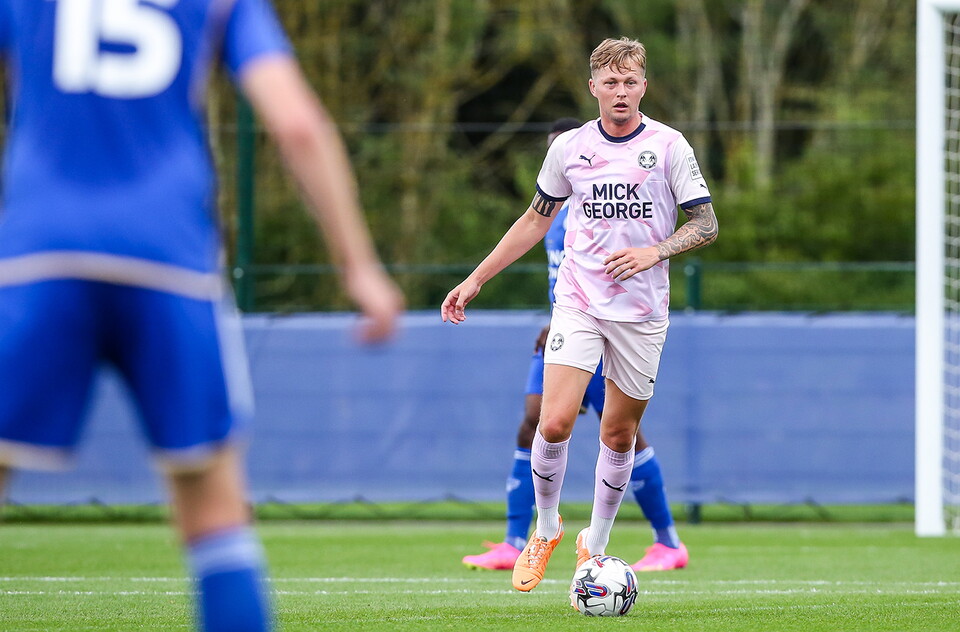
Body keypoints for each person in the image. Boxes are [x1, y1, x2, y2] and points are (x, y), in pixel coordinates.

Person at [0, 2, 402, 631]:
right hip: (169, 260)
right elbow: (296, 124)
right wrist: (359, 266)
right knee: (212, 506)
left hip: (38, 257)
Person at [442, 37, 717, 593]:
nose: (621, 91)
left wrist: (654, 251)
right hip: (580, 302)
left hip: (641, 315)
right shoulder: (569, 147)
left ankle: (595, 540)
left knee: (619, 435)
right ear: (593, 86)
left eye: (630, 81)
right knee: (553, 421)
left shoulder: (669, 146)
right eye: (610, 82)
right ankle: (545, 529)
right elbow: (534, 221)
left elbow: (706, 224)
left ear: (644, 85)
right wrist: (475, 278)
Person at [461, 118, 689, 574]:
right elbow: (558, 268)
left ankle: (665, 541)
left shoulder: (611, 202)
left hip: (623, 324)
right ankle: (521, 537)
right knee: (539, 422)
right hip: (569, 322)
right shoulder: (551, 216)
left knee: (621, 434)